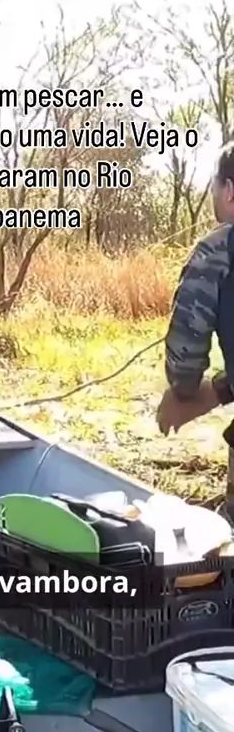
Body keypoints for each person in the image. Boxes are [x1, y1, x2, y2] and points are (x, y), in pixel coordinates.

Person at [156, 141, 234, 519]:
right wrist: (219, 391)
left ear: (229, 190)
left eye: (215, 185)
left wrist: (185, 393)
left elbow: (185, 354)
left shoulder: (219, 251)